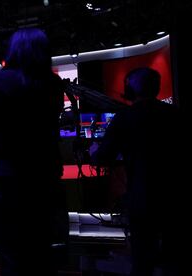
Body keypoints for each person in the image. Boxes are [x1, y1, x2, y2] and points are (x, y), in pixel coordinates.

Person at [0, 28, 67, 275]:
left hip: (9, 174)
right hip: (45, 173)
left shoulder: (0, 80)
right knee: (41, 247)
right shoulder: (54, 83)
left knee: (12, 248)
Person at [91, 67, 186, 276]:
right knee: (175, 259)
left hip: (142, 198)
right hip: (176, 197)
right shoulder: (174, 114)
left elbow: (103, 156)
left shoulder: (125, 117)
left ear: (132, 88)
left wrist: (93, 151)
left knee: (143, 260)